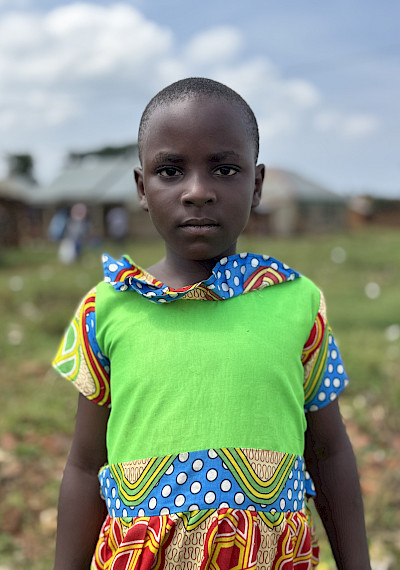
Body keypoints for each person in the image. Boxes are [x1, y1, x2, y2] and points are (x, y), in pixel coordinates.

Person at [52, 78, 371, 569]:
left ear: (256, 185)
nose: (198, 192)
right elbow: (83, 465)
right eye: (170, 171)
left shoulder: (297, 303)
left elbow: (328, 453)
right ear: (142, 187)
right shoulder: (106, 309)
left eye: (224, 169)